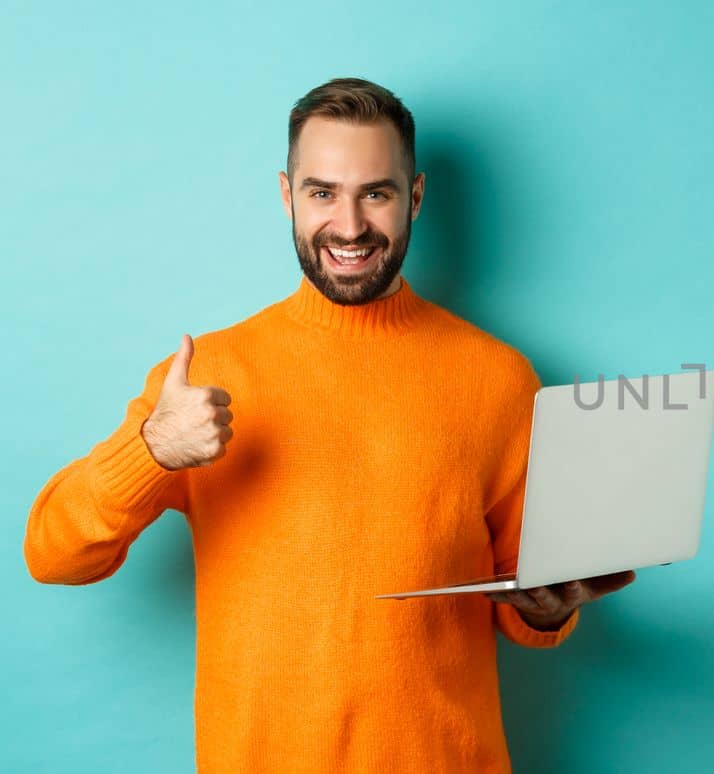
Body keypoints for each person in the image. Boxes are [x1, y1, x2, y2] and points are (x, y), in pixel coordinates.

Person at [22, 77, 635, 773]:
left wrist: (549, 608)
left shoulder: (501, 379)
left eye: (376, 192)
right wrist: (152, 450)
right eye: (322, 193)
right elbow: (52, 555)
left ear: (417, 199)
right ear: (287, 196)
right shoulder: (205, 377)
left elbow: (527, 600)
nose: (349, 227)